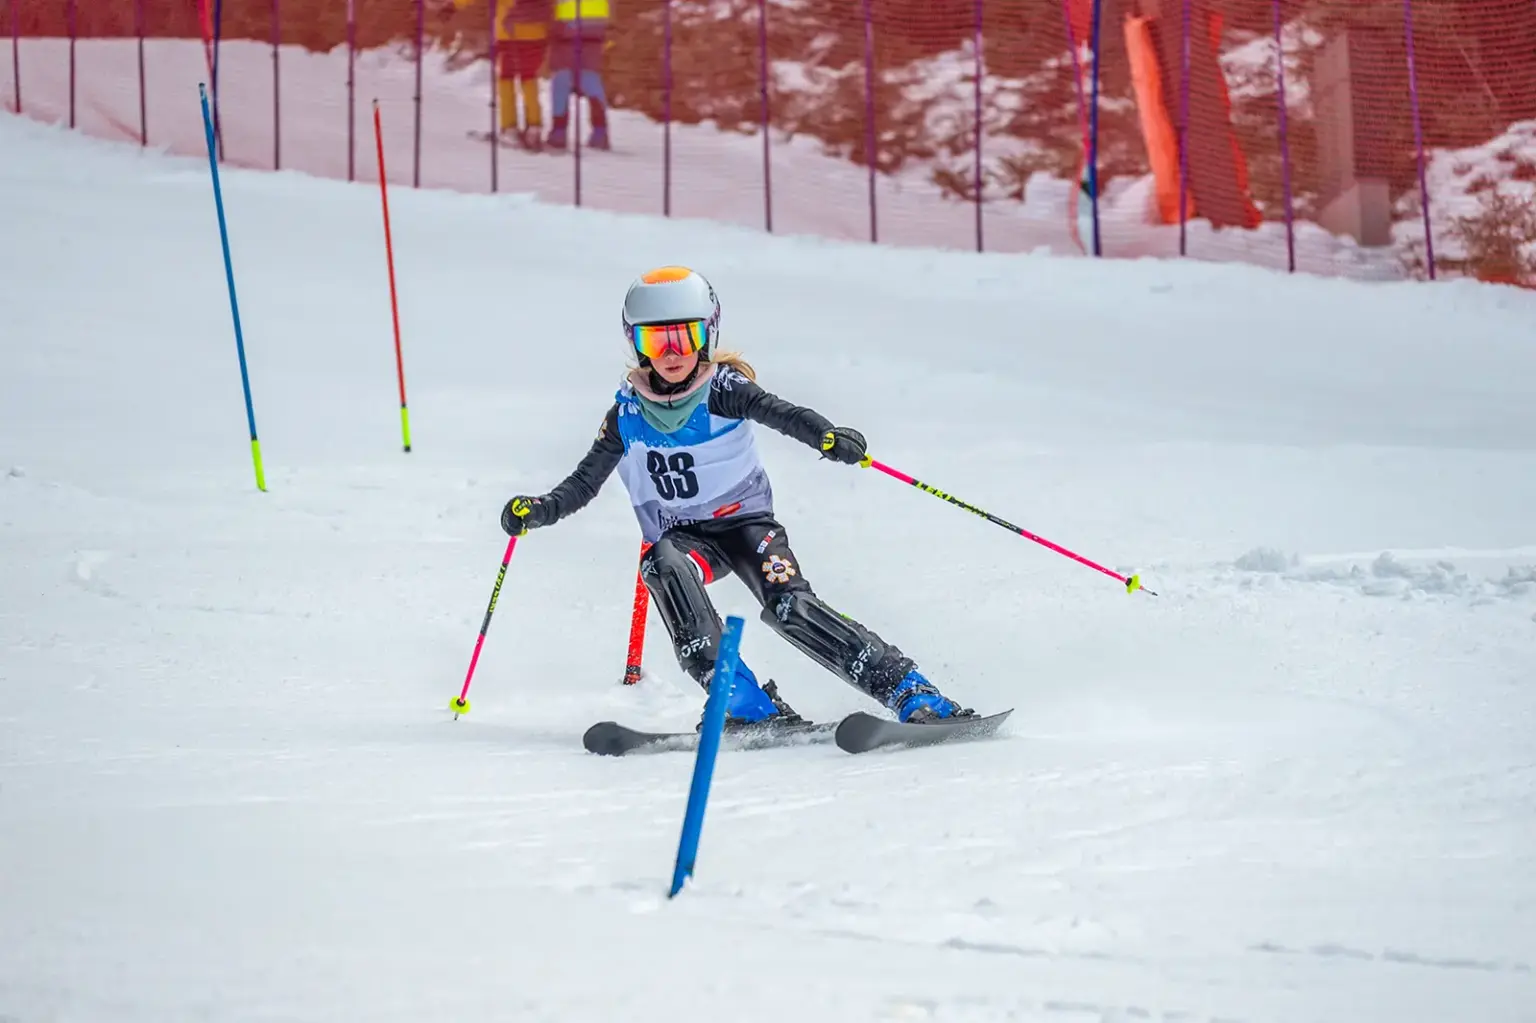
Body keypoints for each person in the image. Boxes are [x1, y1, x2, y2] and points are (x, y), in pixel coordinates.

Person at [500, 266, 974, 730]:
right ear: (636, 344)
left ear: (707, 335)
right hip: (689, 538)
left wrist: (826, 436)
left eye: (683, 338)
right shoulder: (627, 413)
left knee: (792, 609)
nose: (671, 354)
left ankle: (910, 690)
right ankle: (743, 701)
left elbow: (781, 413)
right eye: (654, 341)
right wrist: (539, 511)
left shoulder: (722, 390)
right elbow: (584, 483)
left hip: (746, 528)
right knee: (663, 565)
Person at [545, 0, 611, 149]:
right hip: (596, 30)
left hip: (566, 30)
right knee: (591, 80)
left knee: (561, 82)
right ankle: (600, 133)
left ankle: (559, 132)